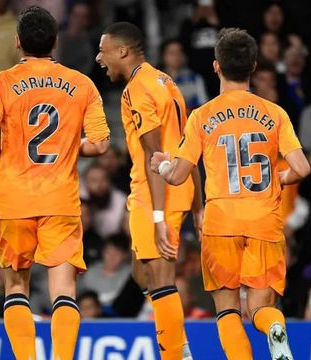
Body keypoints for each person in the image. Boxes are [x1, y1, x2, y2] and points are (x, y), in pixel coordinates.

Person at [150, 28, 310, 360]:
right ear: (253, 66)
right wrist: (277, 179)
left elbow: (179, 176)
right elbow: (303, 168)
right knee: (260, 308)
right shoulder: (275, 113)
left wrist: (161, 166)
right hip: (264, 220)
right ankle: (275, 328)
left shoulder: (202, 116)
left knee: (227, 311)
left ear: (216, 67)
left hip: (221, 222)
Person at [0, 6, 110, 360]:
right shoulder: (82, 85)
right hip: (60, 199)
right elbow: (100, 144)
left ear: (17, 42)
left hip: (14, 198)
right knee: (64, 291)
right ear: (55, 41)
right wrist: (68, 145)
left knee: (16, 286)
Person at [96, 21, 203, 360]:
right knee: (140, 271)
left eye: (104, 50)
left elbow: (155, 155)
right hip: (177, 186)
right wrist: (198, 205)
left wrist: (157, 216)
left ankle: (176, 352)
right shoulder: (165, 81)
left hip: (156, 191)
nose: (99, 58)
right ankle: (177, 340)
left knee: (158, 275)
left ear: (122, 51)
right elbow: (188, 145)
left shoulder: (137, 90)